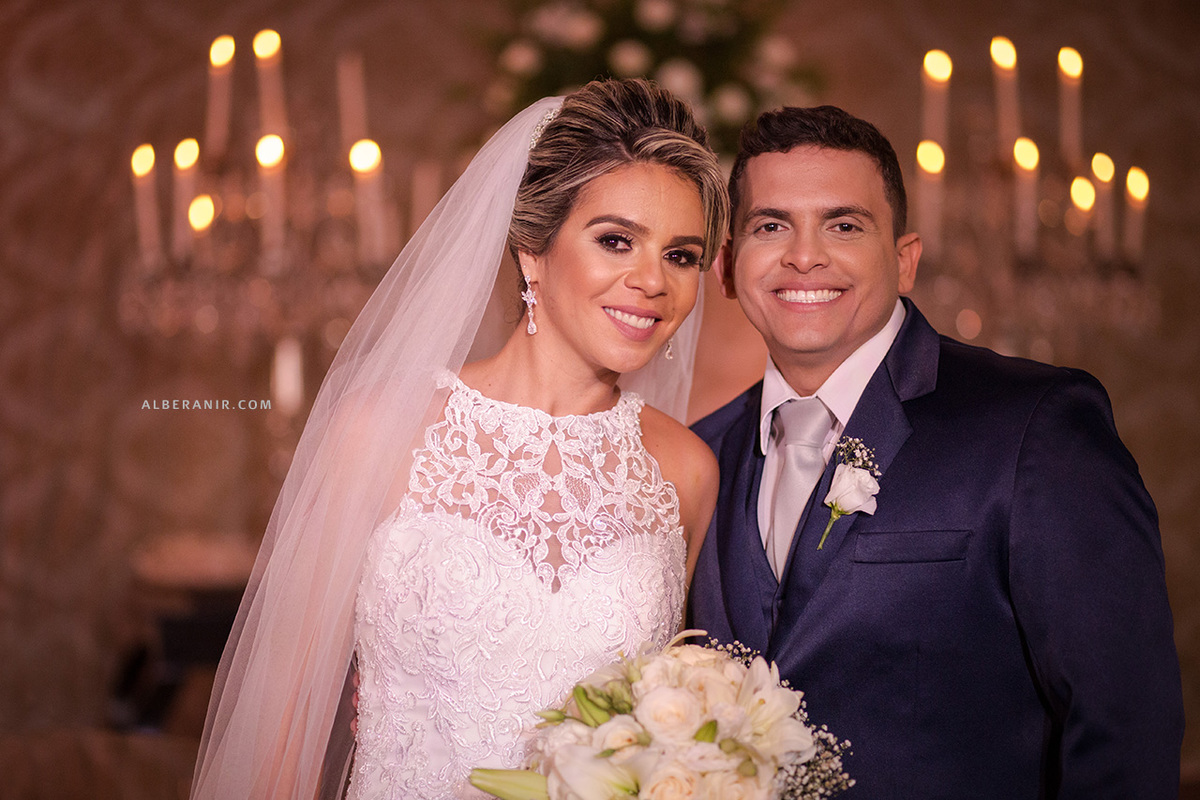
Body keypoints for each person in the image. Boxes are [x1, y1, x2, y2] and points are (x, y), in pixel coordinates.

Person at [191, 78, 729, 799]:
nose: (652, 281)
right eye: (616, 241)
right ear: (532, 251)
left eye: (682, 256)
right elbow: (283, 723)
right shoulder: (379, 431)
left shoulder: (685, 471)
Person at [687, 105, 1183, 798]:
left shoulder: (1035, 424)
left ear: (905, 259)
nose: (804, 255)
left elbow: (1123, 721)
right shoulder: (699, 458)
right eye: (771, 226)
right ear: (729, 268)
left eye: (844, 225)